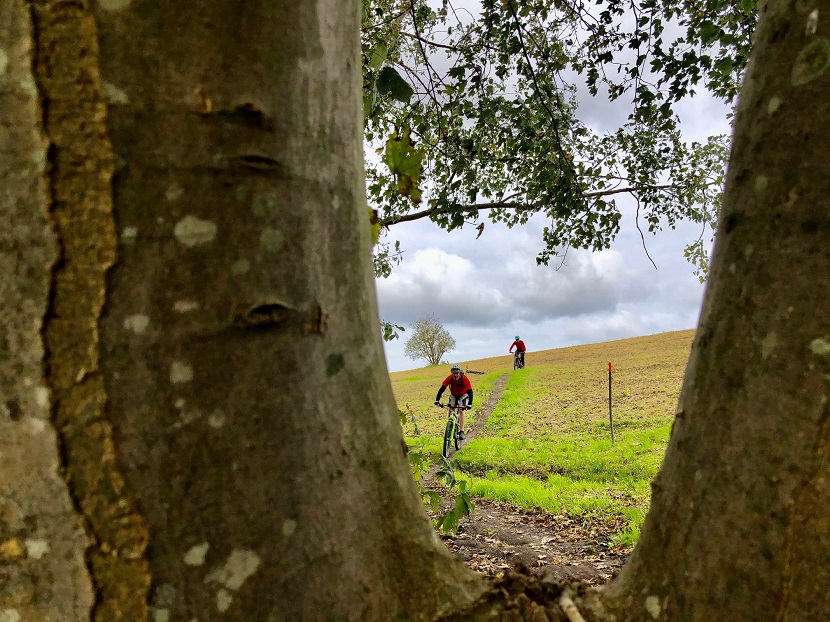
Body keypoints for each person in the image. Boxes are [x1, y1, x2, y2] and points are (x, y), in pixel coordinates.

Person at [434, 364, 473, 440]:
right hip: (454, 394)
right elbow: (442, 389)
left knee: (461, 410)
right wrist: (437, 400)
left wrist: (470, 404)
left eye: (457, 373)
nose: (455, 375)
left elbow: (470, 392)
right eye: (453, 373)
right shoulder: (450, 378)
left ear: (459, 373)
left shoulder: (464, 379)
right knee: (451, 408)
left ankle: (461, 431)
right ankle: (449, 427)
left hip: (463, 395)